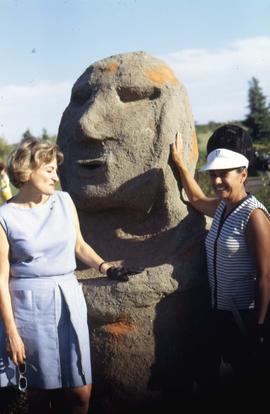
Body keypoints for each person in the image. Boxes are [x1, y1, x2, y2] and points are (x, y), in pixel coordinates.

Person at [0, 137, 138, 414]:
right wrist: (11, 334)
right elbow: (1, 279)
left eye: (56, 170)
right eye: (49, 169)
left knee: (80, 392)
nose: (55, 177)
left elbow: (79, 245)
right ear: (27, 171)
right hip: (28, 307)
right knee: (40, 394)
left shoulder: (63, 201)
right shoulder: (5, 216)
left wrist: (106, 267)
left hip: (68, 300)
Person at [171, 124, 270, 405]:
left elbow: (266, 275)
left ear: (243, 174)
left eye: (222, 175)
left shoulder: (254, 217)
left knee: (248, 390)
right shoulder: (223, 206)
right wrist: (179, 163)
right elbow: (197, 199)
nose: (216, 182)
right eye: (213, 175)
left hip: (247, 319)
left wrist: (259, 328)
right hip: (220, 315)